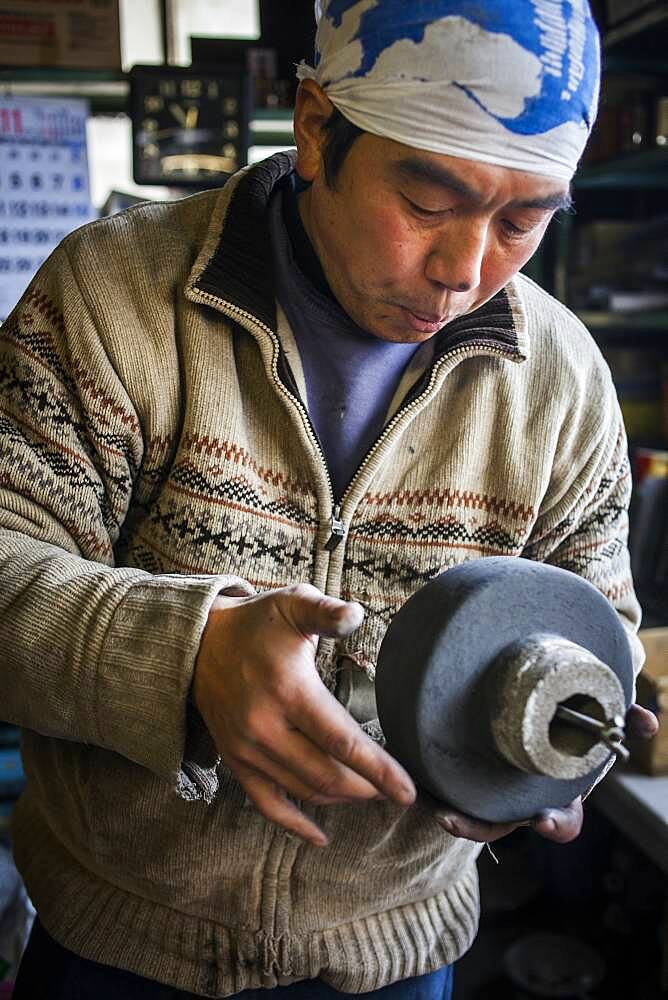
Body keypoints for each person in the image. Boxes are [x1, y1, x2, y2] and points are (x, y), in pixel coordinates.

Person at [0, 1, 658, 998]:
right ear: (315, 128)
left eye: (521, 219)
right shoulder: (111, 296)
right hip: (117, 940)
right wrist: (188, 657)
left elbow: (593, 621)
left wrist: (544, 758)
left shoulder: (559, 379)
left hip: (394, 952)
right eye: (429, 200)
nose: (463, 270)